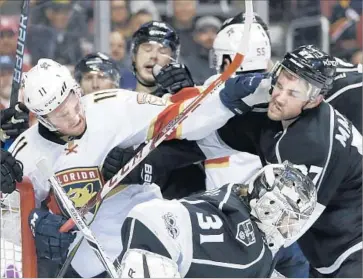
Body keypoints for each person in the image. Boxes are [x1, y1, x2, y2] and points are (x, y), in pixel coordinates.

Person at [104, 45, 362, 278]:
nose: (280, 96)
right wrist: (145, 164)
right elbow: (206, 142)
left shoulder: (312, 144)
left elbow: (283, 226)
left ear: (315, 99)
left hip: (352, 249)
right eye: (280, 83)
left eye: (292, 92)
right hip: (328, 247)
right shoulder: (274, 113)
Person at [6, 58, 237, 278]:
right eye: (60, 114)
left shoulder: (113, 105)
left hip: (154, 239)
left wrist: (226, 99)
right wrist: (36, 223)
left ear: (76, 88)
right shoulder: (25, 153)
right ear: (43, 119)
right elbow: (7, 225)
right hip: (90, 264)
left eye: (73, 100)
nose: (74, 116)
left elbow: (184, 116)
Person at [114, 161, 318, 277]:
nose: (288, 228)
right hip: (160, 238)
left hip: (154, 225)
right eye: (288, 218)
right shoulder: (254, 253)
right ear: (268, 207)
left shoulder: (233, 193)